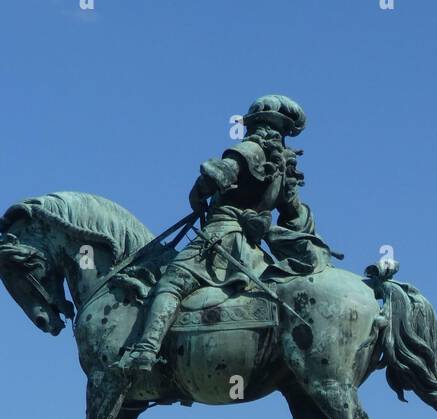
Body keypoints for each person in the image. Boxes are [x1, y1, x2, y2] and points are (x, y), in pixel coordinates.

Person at [117, 94, 332, 377]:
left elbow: (217, 176)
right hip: (253, 252)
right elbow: (294, 216)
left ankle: (146, 349)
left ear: (256, 123)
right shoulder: (285, 167)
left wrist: (197, 193)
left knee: (171, 281)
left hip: (220, 238)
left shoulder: (250, 149)